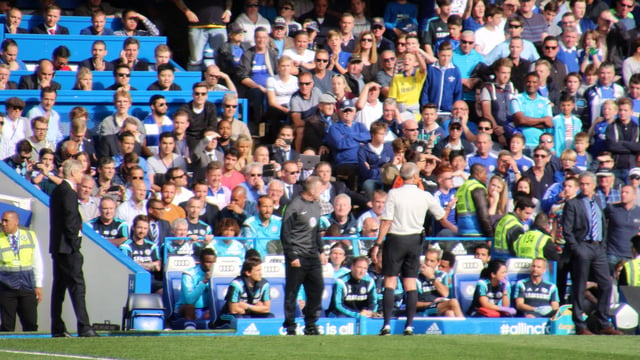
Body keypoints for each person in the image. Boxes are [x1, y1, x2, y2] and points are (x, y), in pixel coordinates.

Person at [372, 163, 453, 336]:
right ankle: (409, 326)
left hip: (395, 239)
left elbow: (386, 221)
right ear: (416, 177)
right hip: (415, 241)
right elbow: (441, 217)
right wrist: (449, 208)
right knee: (410, 284)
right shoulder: (425, 195)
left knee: (390, 282)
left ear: (401, 177)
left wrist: (378, 243)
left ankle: (386, 325)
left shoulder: (394, 194)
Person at [562, 171, 623, 335]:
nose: (584, 187)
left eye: (587, 184)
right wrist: (576, 248)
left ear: (594, 185)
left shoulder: (596, 200)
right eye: (581, 184)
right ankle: (580, 325)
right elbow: (566, 230)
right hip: (583, 246)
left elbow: (602, 223)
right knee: (580, 286)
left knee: (606, 284)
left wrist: (602, 245)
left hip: (598, 248)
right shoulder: (573, 203)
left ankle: (603, 322)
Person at [49, 159, 98, 337]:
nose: (81, 176)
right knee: (78, 286)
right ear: (73, 173)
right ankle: (84, 326)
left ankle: (57, 326)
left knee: (59, 288)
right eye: (79, 172)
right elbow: (70, 220)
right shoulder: (68, 193)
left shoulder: (58, 191)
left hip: (58, 247)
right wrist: (75, 244)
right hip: (68, 248)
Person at [281, 176, 325, 336]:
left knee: (317, 289)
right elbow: (285, 233)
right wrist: (291, 256)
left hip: (312, 256)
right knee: (292, 292)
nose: (323, 191)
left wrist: (321, 251)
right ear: (312, 190)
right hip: (297, 256)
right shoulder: (294, 206)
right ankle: (290, 325)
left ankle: (310, 324)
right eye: (320, 189)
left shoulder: (316, 206)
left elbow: (316, 231)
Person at [0, 210, 44, 332]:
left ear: (16, 222)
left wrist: (38, 285)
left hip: (27, 285)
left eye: (6, 221)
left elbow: (37, 261)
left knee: (30, 323)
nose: (3, 223)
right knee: (7, 325)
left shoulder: (29, 236)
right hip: (6, 286)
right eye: (2, 220)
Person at [216, 257, 273, 327]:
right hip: (229, 315)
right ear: (248, 273)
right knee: (239, 318)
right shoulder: (236, 284)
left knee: (270, 316)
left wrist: (247, 306)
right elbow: (233, 310)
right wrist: (257, 308)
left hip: (249, 313)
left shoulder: (265, 284)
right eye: (257, 270)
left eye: (260, 270)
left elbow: (266, 309)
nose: (260, 273)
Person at [174, 248, 217, 330]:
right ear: (200, 261)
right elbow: (189, 300)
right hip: (186, 309)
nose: (211, 265)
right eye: (208, 262)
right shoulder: (189, 274)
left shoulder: (217, 274)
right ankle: (190, 331)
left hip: (206, 309)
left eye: (213, 263)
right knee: (189, 307)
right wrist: (204, 281)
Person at [119, 215, 162, 293]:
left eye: (145, 228)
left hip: (151, 280)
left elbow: (158, 267)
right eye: (139, 227)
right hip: (134, 280)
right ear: (133, 228)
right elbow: (129, 267)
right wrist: (150, 265)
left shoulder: (152, 246)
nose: (142, 231)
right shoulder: (126, 246)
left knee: (163, 290)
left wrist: (140, 264)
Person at [416, 248, 464, 317]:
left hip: (440, 306)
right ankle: (464, 326)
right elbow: (413, 304)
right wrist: (432, 303)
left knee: (450, 313)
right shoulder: (416, 278)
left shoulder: (442, 275)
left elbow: (445, 293)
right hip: (425, 308)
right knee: (453, 302)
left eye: (432, 261)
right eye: (426, 260)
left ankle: (458, 327)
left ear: (438, 263)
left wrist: (432, 278)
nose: (428, 263)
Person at [456, 163, 493, 237]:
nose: (486, 177)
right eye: (485, 174)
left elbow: (456, 214)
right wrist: (490, 234)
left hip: (462, 230)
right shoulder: (477, 187)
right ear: (479, 174)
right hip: (476, 231)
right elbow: (483, 214)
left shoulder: (461, 188)